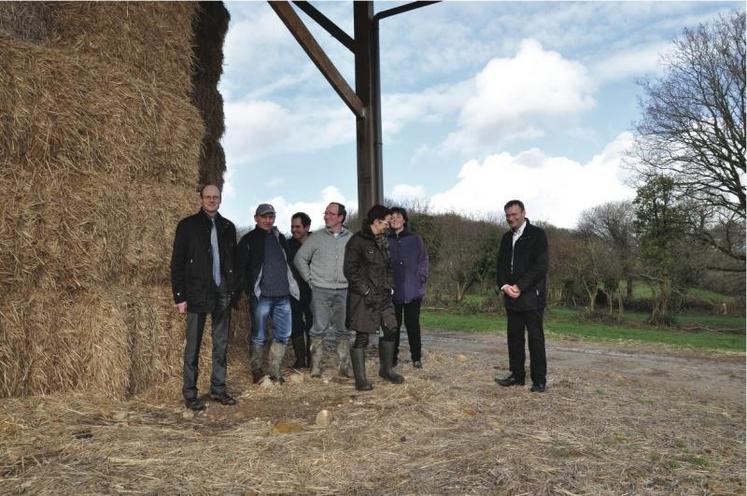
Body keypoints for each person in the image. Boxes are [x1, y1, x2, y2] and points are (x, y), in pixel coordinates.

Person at [170, 184, 237, 411]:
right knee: (193, 346)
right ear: (201, 199)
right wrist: (180, 296)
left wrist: (233, 290)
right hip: (197, 293)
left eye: (215, 197)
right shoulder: (187, 226)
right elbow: (177, 263)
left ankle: (218, 389)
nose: (211, 200)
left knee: (220, 344)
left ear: (220, 199)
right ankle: (190, 393)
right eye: (207, 197)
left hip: (222, 293)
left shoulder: (228, 227)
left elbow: (231, 262)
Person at [236, 203, 300, 384]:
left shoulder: (280, 238)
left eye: (271, 216)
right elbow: (241, 267)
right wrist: (249, 290)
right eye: (264, 217)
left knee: (283, 334)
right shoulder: (248, 240)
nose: (268, 220)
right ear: (256, 218)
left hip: (282, 296)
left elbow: (288, 263)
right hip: (262, 296)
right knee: (259, 335)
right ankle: (257, 372)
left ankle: (274, 371)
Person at [344, 204, 404, 391]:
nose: (389, 225)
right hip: (363, 298)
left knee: (391, 329)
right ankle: (360, 379)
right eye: (386, 222)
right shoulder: (356, 241)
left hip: (384, 296)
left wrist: (391, 286)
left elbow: (388, 267)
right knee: (362, 337)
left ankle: (386, 370)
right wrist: (367, 291)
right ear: (376, 222)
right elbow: (350, 271)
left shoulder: (382, 240)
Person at [294, 202, 353, 378]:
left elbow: (358, 263)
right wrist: (310, 280)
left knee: (343, 329)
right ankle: (316, 367)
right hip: (320, 290)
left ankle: (345, 366)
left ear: (340, 218)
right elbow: (300, 259)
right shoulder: (317, 237)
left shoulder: (351, 238)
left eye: (330, 213)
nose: (326, 216)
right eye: (326, 213)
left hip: (344, 290)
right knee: (318, 329)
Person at [495, 200, 548, 393]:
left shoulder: (537, 235)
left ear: (524, 213)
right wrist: (505, 286)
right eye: (508, 215)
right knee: (514, 338)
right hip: (511, 296)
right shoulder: (505, 238)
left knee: (535, 339)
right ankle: (517, 376)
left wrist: (520, 286)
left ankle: (539, 380)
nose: (511, 218)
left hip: (532, 297)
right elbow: (500, 266)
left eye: (514, 214)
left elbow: (540, 267)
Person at [388, 207, 429, 368]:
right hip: (392, 290)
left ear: (404, 220)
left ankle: (416, 358)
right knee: (393, 327)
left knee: (412, 325)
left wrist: (421, 278)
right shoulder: (386, 240)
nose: (395, 219)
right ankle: (392, 359)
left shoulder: (415, 238)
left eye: (398, 217)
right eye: (392, 217)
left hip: (413, 290)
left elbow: (424, 259)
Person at [286, 211, 313, 368]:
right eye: (292, 226)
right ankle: (300, 360)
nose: (294, 230)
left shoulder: (316, 242)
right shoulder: (288, 245)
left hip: (314, 291)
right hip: (294, 292)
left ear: (307, 227)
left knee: (313, 326)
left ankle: (312, 359)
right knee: (295, 325)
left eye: (298, 227)